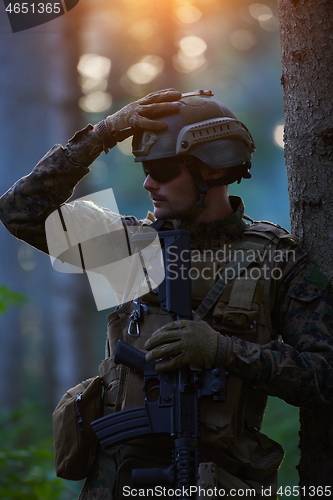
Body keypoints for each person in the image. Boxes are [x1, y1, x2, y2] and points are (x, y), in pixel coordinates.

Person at [1, 88, 333, 500]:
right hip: (116, 483)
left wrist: (224, 351)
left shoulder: (277, 261)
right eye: (145, 167)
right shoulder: (131, 247)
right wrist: (103, 134)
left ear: (211, 170)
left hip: (216, 482)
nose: (148, 182)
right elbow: (21, 210)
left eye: (162, 168)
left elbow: (325, 374)